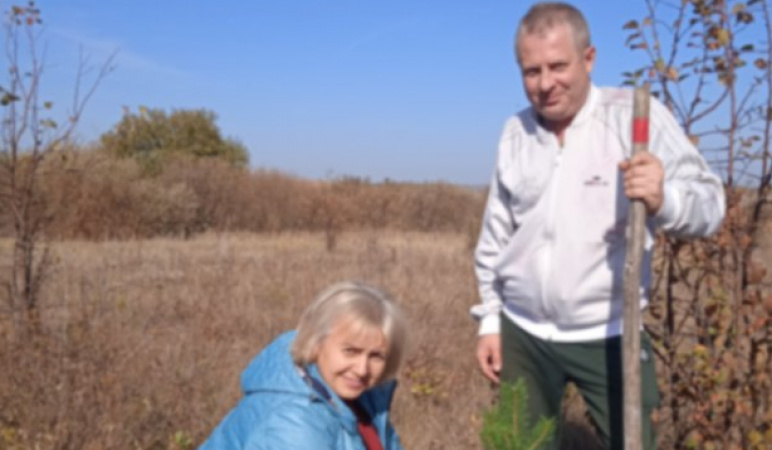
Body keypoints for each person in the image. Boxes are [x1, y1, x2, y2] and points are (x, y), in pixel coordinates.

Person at [470, 2, 725, 449]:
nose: (545, 84)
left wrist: (666, 199)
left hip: (608, 335)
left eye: (557, 66)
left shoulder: (632, 117)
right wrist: (490, 318)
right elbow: (496, 235)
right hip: (523, 333)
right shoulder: (516, 132)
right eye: (531, 71)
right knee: (518, 445)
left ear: (588, 59)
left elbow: (711, 206)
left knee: (633, 443)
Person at [201, 281, 408, 450]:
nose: (362, 369)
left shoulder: (364, 400)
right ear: (316, 343)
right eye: (350, 351)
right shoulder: (294, 422)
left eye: (376, 356)